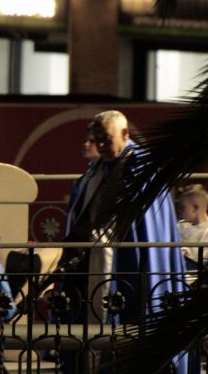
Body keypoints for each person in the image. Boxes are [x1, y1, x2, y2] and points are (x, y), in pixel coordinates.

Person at [60, 110, 188, 374]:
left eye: (106, 139)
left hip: (129, 261)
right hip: (96, 259)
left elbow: (150, 225)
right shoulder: (98, 169)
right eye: (97, 139)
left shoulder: (142, 167)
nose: (101, 145)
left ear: (125, 134)